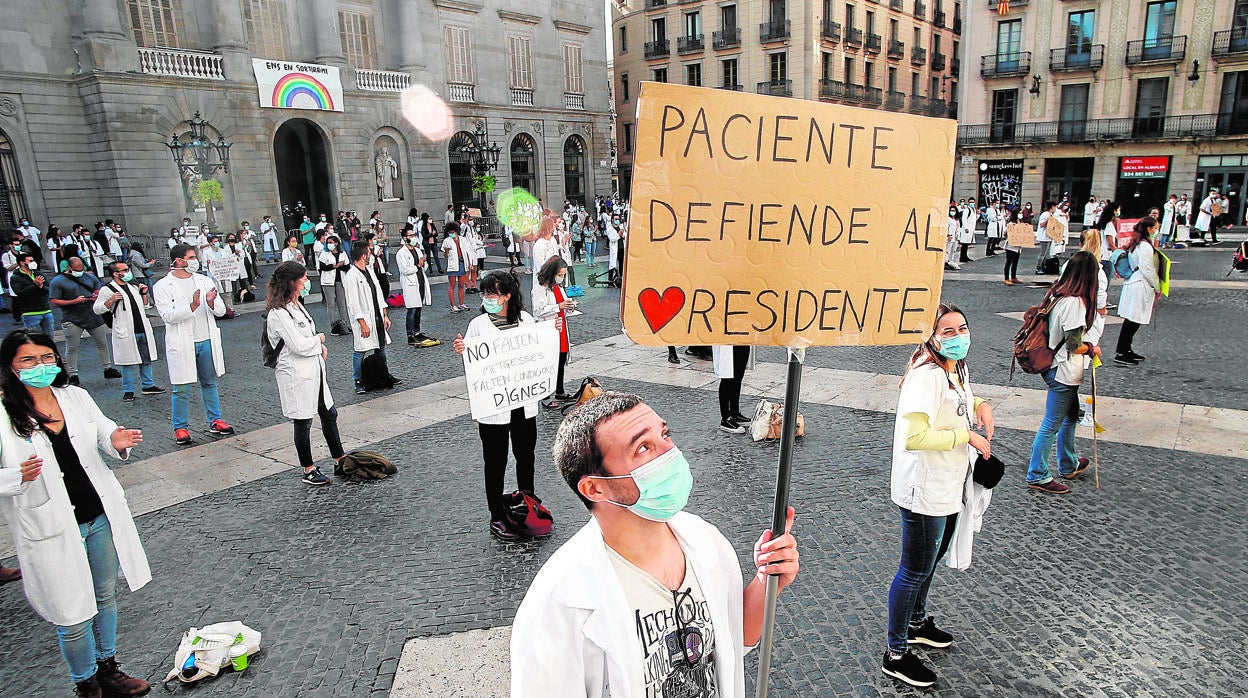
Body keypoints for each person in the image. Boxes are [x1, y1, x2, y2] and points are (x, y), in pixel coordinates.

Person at [511, 392, 801, 695]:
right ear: (595, 488)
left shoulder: (706, 541)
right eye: (644, 448)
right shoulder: (557, 604)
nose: (670, 453)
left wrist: (767, 580)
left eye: (665, 434)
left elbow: (730, 641)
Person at [0, 329, 151, 698]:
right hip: (49, 524)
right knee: (72, 614)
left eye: (46, 357)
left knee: (104, 597)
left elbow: (102, 431)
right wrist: (14, 477)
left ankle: (108, 667)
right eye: (29, 360)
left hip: (98, 516)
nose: (40, 366)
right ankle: (85, 682)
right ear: (11, 366)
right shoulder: (4, 412)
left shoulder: (75, 397)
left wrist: (115, 440)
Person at [884, 302, 993, 687]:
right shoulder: (925, 376)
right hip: (922, 488)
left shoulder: (955, 369)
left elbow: (963, 400)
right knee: (914, 569)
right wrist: (966, 435)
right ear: (930, 336)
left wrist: (982, 406)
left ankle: (916, 623)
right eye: (947, 331)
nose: (957, 336)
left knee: (930, 561)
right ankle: (895, 653)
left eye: (961, 328)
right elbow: (914, 436)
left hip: (949, 483)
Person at [451, 270, 544, 541]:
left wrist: (550, 335)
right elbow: (475, 362)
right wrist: (462, 350)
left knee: (526, 455)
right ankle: (496, 515)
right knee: (495, 461)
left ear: (507, 296)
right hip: (494, 406)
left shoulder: (526, 321)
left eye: (492, 293)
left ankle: (528, 505)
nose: (487, 298)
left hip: (523, 402)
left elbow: (538, 353)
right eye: (485, 293)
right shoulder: (479, 325)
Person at [1025, 252, 1101, 495]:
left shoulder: (1058, 295)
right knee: (1051, 424)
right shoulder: (1075, 304)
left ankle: (1069, 462)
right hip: (1064, 371)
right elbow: (1073, 344)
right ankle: (1037, 474)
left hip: (1057, 367)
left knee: (1070, 416)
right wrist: (1092, 348)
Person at [265, 262, 344, 486]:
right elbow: (298, 345)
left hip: (313, 370)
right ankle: (308, 469)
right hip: (296, 374)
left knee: (329, 413)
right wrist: (319, 340)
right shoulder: (278, 314)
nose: (307, 282)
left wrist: (318, 346)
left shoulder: (296, 305)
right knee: (303, 420)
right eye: (303, 278)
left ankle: (340, 459)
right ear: (291, 282)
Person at [153, 244, 235, 446]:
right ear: (178, 261)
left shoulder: (204, 280)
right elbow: (167, 316)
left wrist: (209, 302)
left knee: (209, 382)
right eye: (190, 257)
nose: (194, 261)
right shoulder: (162, 286)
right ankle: (180, 427)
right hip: (182, 341)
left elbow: (221, 310)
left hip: (205, 338)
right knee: (181, 387)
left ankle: (215, 420)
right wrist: (191, 306)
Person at [94, 261, 163, 402]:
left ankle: (148, 385)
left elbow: (145, 306)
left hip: (142, 327)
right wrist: (111, 301)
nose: (128, 272)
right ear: (116, 274)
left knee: (146, 358)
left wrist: (144, 294)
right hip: (125, 329)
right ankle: (128, 390)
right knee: (127, 361)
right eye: (125, 270)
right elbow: (97, 309)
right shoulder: (107, 290)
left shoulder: (132, 287)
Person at [48, 257, 119, 385]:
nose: (79, 272)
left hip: (93, 316)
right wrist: (74, 301)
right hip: (72, 318)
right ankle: (73, 374)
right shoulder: (58, 281)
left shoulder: (90, 278)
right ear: (69, 268)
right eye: (76, 270)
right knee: (72, 347)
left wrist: (95, 296)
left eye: (81, 269)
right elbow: (54, 301)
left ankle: (108, 368)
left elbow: (99, 291)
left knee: (102, 343)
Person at [343, 240, 393, 394]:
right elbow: (353, 303)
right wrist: (362, 323)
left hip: (377, 315)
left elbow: (378, 294)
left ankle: (383, 375)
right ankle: (358, 380)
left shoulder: (370, 271)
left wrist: (385, 314)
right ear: (363, 255)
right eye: (369, 252)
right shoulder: (351, 276)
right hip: (364, 319)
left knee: (381, 347)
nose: (370, 255)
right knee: (360, 350)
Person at [1115, 217, 1162, 365]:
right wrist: (1157, 286)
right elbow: (1147, 268)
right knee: (1133, 320)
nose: (1156, 231)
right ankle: (1122, 352)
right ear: (1149, 229)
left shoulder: (1138, 243)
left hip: (1135, 282)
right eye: (1155, 228)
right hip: (1140, 284)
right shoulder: (1145, 246)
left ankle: (1126, 349)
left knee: (1132, 320)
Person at [533, 257, 574, 407]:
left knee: (561, 359)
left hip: (561, 327)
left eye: (563, 275)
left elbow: (563, 305)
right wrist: (559, 306)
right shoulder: (539, 289)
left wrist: (569, 307)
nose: (562, 278)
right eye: (560, 274)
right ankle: (546, 396)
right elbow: (538, 311)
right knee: (549, 362)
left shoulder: (558, 287)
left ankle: (559, 390)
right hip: (547, 329)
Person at [396, 226, 440, 347]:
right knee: (412, 309)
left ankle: (417, 331)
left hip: (419, 281)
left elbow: (423, 267)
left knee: (418, 308)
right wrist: (418, 265)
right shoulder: (401, 253)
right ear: (405, 238)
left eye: (413, 235)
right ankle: (410, 335)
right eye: (410, 236)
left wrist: (423, 263)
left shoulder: (417, 250)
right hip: (410, 282)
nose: (413, 237)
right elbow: (404, 269)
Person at [712, 344, 754, 434]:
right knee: (728, 375)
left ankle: (735, 413)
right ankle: (725, 417)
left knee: (738, 374)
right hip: (727, 340)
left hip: (741, 336)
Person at [11, 252, 55, 337]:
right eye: (30, 261)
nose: (33, 263)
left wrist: (41, 287)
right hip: (30, 312)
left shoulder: (39, 274)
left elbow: (49, 289)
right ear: (22, 263)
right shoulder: (16, 277)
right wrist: (35, 285)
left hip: (46, 310)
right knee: (34, 339)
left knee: (50, 337)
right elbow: (20, 293)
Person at [317, 234, 351, 335]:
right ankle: (333, 325)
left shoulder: (342, 253)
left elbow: (347, 266)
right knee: (331, 303)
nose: (329, 245)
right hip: (328, 282)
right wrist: (335, 266)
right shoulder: (324, 254)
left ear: (336, 243)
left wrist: (340, 266)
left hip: (340, 280)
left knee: (342, 303)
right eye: (328, 243)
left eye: (331, 243)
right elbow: (322, 267)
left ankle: (344, 323)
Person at [441, 222, 471, 312]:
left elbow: (467, 252)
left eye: (453, 232)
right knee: (452, 285)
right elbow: (445, 256)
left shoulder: (463, 239)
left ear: (456, 231)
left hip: (462, 263)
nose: (451, 234)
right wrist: (446, 251)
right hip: (453, 265)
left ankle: (461, 303)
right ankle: (453, 305)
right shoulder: (446, 241)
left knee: (461, 284)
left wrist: (470, 263)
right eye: (449, 232)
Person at [1093, 202, 1120, 281]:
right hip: (1107, 257)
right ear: (1114, 211)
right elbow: (1111, 243)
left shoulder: (1104, 224)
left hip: (1102, 255)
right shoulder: (1109, 225)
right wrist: (1117, 253)